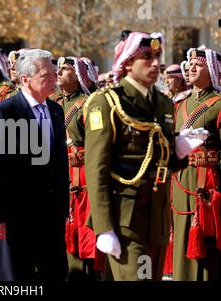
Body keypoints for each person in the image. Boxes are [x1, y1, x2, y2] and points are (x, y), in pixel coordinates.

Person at [84, 31, 196, 281]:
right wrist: (104, 227)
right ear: (127, 63)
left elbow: (162, 158)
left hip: (157, 217)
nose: (155, 63)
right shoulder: (108, 102)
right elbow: (96, 168)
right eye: (146, 57)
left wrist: (181, 150)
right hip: (124, 218)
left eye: (157, 56)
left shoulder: (164, 104)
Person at [0, 49, 69, 281]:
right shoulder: (3, 113)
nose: (54, 79)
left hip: (50, 217)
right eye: (46, 74)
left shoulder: (56, 111)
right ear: (26, 79)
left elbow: (58, 164)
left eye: (54, 73)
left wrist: (63, 206)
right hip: (14, 219)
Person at [171, 48, 221, 281]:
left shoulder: (218, 104)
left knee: (208, 247)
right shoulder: (179, 104)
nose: (190, 68)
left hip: (209, 185)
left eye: (197, 65)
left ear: (212, 71)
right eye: (189, 64)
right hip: (180, 183)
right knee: (181, 238)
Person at [55, 56, 104, 280]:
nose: (58, 73)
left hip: (82, 178)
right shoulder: (54, 103)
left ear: (79, 75)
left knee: (84, 233)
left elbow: (99, 143)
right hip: (58, 175)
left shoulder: (91, 104)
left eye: (65, 69)